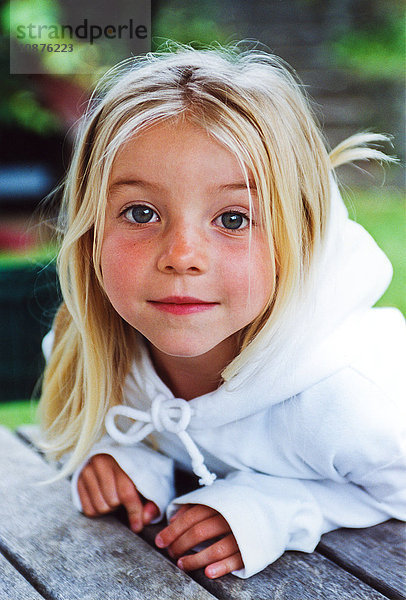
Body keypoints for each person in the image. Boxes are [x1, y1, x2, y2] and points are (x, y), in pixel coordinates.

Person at [39, 43, 406, 580]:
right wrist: (121, 456)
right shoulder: (92, 352)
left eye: (234, 219)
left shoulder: (351, 404)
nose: (182, 256)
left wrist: (278, 506)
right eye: (141, 213)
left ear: (302, 235)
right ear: (91, 232)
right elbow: (97, 422)